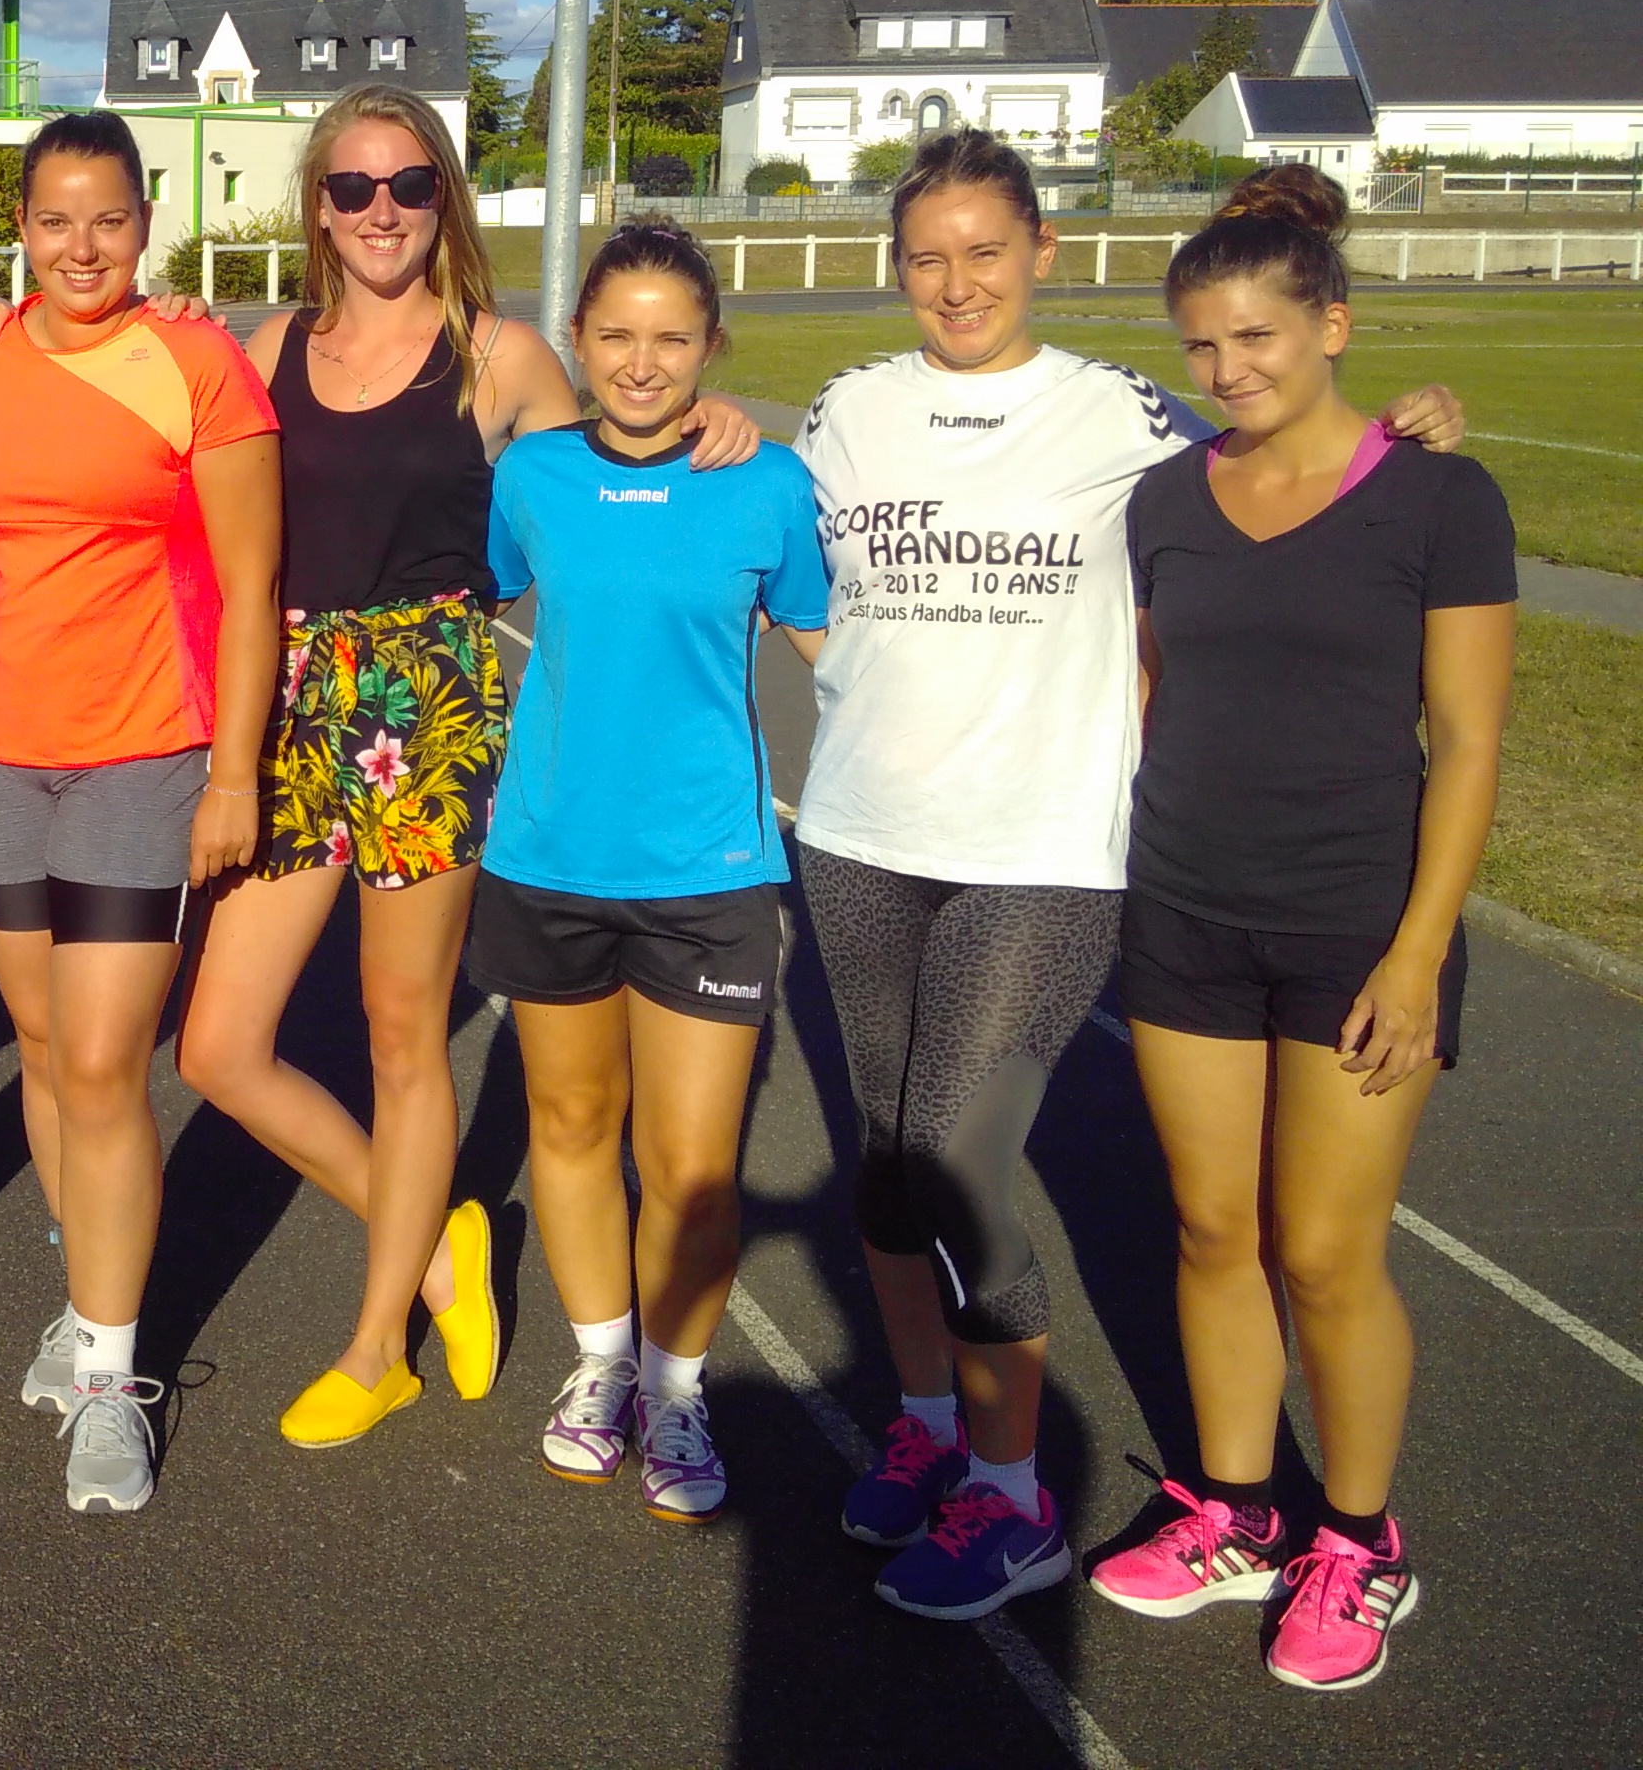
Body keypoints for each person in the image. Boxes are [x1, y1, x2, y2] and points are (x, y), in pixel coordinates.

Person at [0, 88, 759, 1449]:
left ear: (444, 198)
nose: (382, 210)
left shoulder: (499, 357)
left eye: (410, 185)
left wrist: (705, 422)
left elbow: (609, 482)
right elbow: (131, 401)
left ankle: (380, 1345)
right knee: (217, 1046)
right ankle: (434, 1237)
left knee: (400, 1032)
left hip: (425, 706)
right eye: (352, 187)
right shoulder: (264, 346)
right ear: (317, 207)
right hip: (288, 699)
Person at [791, 127, 1464, 1621]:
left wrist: (1404, 429)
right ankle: (928, 1421)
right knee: (888, 1170)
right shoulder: (845, 411)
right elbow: (777, 553)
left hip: (1042, 852)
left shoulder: (1128, 416)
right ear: (894, 269)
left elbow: (1286, 457)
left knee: (960, 1164)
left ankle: (1014, 1497)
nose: (957, 283)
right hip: (857, 835)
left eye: (986, 251)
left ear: (1042, 249)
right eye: (926, 258)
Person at [1087, 167, 1511, 1692]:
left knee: (1325, 1254)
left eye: (1258, 336)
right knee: (1213, 1231)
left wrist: (1417, 955)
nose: (1230, 367)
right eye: (1203, 344)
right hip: (1187, 911)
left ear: (1332, 323)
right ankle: (1238, 1513)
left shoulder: (1441, 497)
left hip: (1357, 930)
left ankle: (1359, 1540)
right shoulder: (1162, 499)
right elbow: (1151, 689)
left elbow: (1468, 744)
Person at [0, 109, 283, 1514]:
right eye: (56, 220)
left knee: (108, 1063)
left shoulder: (194, 360)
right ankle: (88, 1304)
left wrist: (234, 773)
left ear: (146, 223)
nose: (83, 246)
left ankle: (116, 1375)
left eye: (110, 219)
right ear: (19, 226)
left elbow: (251, 587)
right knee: (44, 1048)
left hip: (142, 754)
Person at [468, 222, 827, 1522]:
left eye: (672, 337)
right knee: (571, 1129)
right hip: (549, 857)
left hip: (708, 872)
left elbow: (839, 653)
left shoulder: (767, 483)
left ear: (711, 346)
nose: (641, 360)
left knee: (692, 1164)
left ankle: (678, 1390)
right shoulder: (533, 476)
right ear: (576, 337)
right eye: (616, 333)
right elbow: (478, 601)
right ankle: (603, 1363)